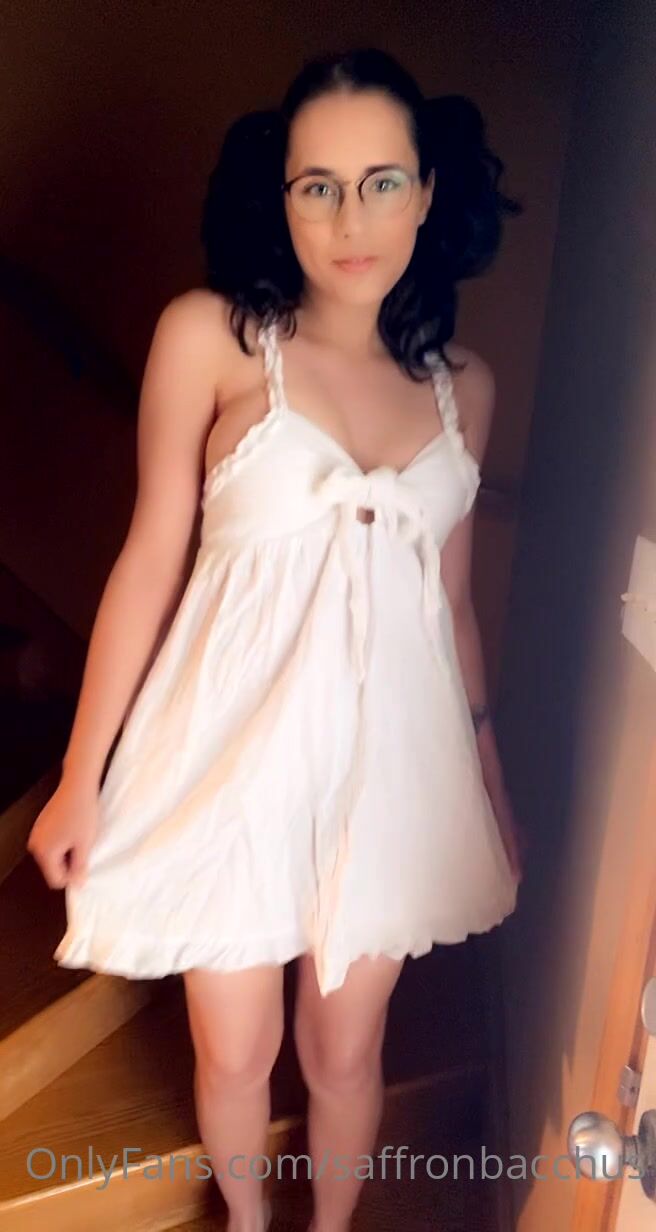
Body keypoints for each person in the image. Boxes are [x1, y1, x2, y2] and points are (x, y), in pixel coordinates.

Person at [28, 45, 526, 1232]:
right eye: (318, 185)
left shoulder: (465, 385)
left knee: (346, 1048)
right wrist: (80, 776)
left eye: (381, 181)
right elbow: (150, 560)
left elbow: (450, 602)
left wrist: (487, 776)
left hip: (390, 766)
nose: (351, 218)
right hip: (233, 756)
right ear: (281, 194)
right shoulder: (209, 335)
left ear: (426, 191)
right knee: (238, 1046)